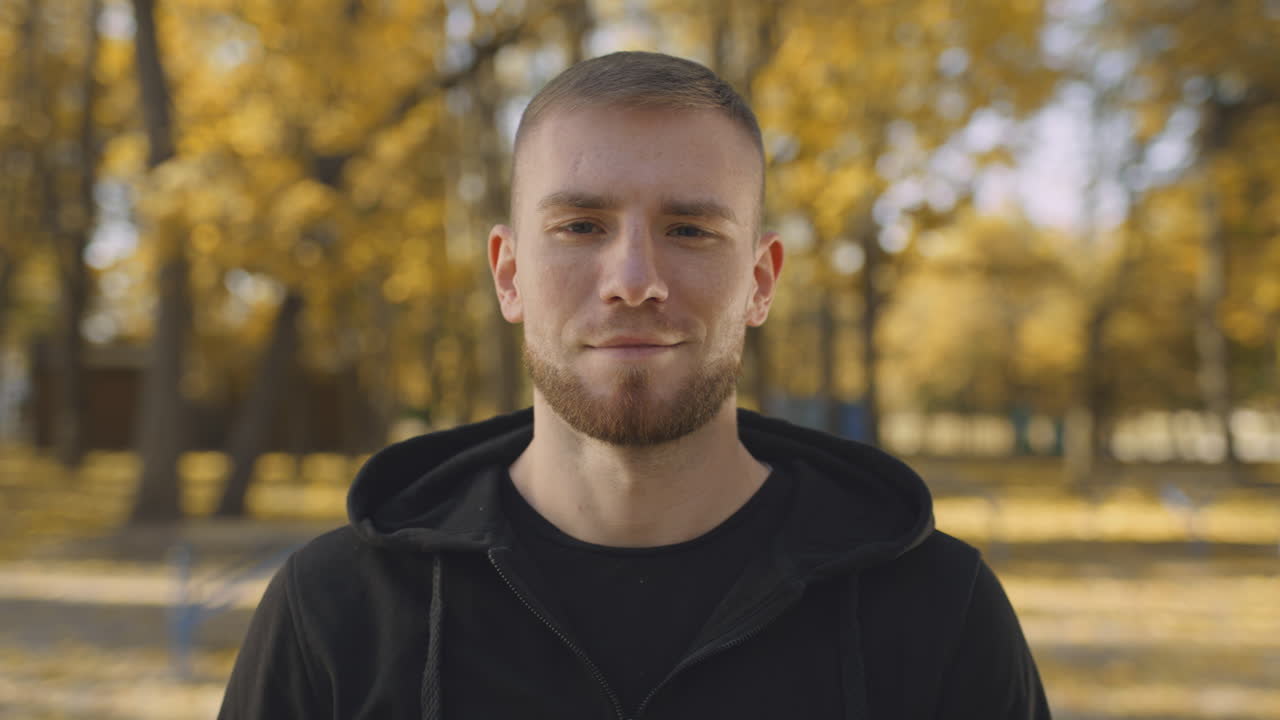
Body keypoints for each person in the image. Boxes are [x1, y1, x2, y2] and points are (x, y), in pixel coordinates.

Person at [219, 51, 1051, 720]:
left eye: (689, 229)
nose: (634, 280)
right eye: (580, 227)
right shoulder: (336, 612)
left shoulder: (938, 612)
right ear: (508, 274)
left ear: (761, 282)